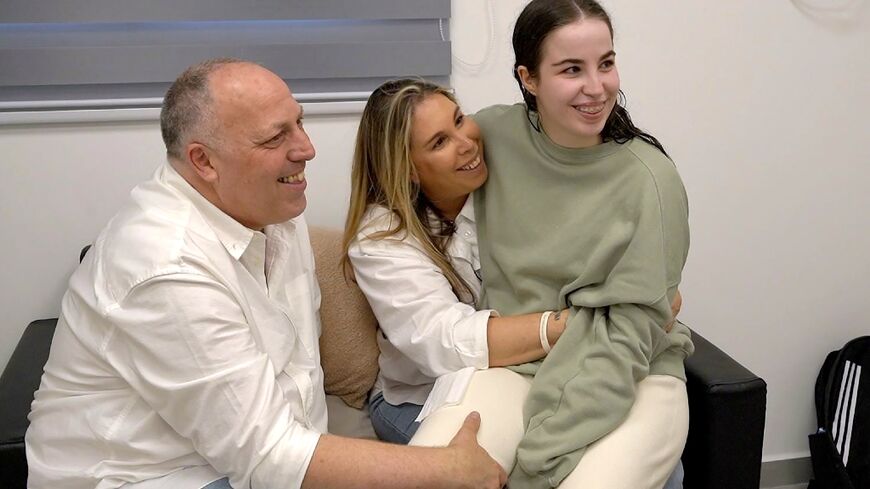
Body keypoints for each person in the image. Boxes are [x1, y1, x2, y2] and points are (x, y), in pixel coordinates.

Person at [24, 58, 506, 489]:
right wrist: (443, 467)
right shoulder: (164, 267)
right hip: (156, 476)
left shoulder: (274, 208)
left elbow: (295, 397)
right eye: (276, 137)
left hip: (241, 463)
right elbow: (267, 455)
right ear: (203, 161)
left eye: (299, 122)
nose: (307, 149)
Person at [343, 75, 685, 489]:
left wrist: (641, 299)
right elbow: (445, 343)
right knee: (481, 471)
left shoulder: (511, 179)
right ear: (408, 170)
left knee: (648, 468)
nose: (467, 142)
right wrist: (591, 323)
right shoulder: (383, 238)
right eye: (439, 142)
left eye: (459, 119)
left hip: (542, 369)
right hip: (420, 394)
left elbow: (643, 288)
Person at [474, 0, 694, 488]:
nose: (597, 88)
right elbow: (404, 177)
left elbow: (629, 336)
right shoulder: (491, 135)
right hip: (519, 364)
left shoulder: (650, 179)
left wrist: (539, 460)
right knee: (436, 473)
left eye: (607, 63)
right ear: (528, 78)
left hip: (635, 372)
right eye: (572, 69)